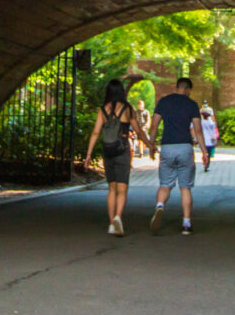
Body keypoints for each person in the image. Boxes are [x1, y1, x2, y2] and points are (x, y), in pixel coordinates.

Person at [82, 79, 156, 236]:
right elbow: (139, 132)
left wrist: (88, 154)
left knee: (112, 189)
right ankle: (118, 217)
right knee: (122, 189)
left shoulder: (102, 110)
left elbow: (95, 133)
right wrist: (150, 146)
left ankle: (111, 224)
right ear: (122, 92)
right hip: (122, 150)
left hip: (108, 152)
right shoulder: (128, 109)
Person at [148, 77, 205, 235]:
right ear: (188, 89)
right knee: (185, 187)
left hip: (167, 147)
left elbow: (154, 125)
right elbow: (198, 130)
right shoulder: (192, 104)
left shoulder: (164, 102)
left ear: (177, 87)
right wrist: (205, 152)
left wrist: (151, 145)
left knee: (165, 184)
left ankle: (160, 205)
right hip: (185, 147)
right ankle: (186, 224)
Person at [199, 106, 219, 173]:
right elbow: (214, 130)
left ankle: (204, 163)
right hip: (210, 140)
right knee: (209, 154)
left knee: (204, 153)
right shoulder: (211, 123)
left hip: (204, 140)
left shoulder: (201, 122)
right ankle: (207, 166)